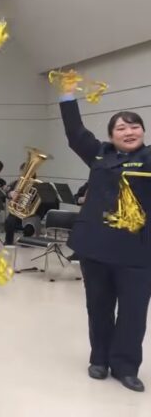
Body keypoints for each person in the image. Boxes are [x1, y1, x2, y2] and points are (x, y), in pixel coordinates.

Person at [59, 78, 151, 392]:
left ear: (143, 132)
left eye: (135, 126)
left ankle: (126, 366)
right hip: (96, 248)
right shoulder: (98, 154)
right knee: (98, 307)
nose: (129, 131)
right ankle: (99, 358)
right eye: (121, 128)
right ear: (111, 136)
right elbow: (75, 133)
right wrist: (67, 95)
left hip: (138, 252)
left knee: (133, 313)